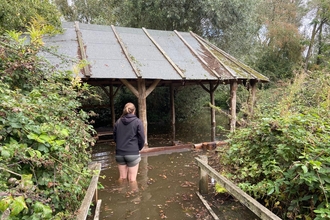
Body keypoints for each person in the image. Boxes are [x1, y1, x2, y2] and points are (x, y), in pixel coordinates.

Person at [113, 102, 145, 186]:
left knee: (122, 178)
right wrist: (138, 148)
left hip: (119, 153)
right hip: (132, 152)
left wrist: (120, 145)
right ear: (134, 111)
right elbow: (142, 138)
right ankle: (134, 197)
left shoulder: (118, 122)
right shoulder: (137, 122)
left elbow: (115, 138)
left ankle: (121, 194)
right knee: (132, 180)